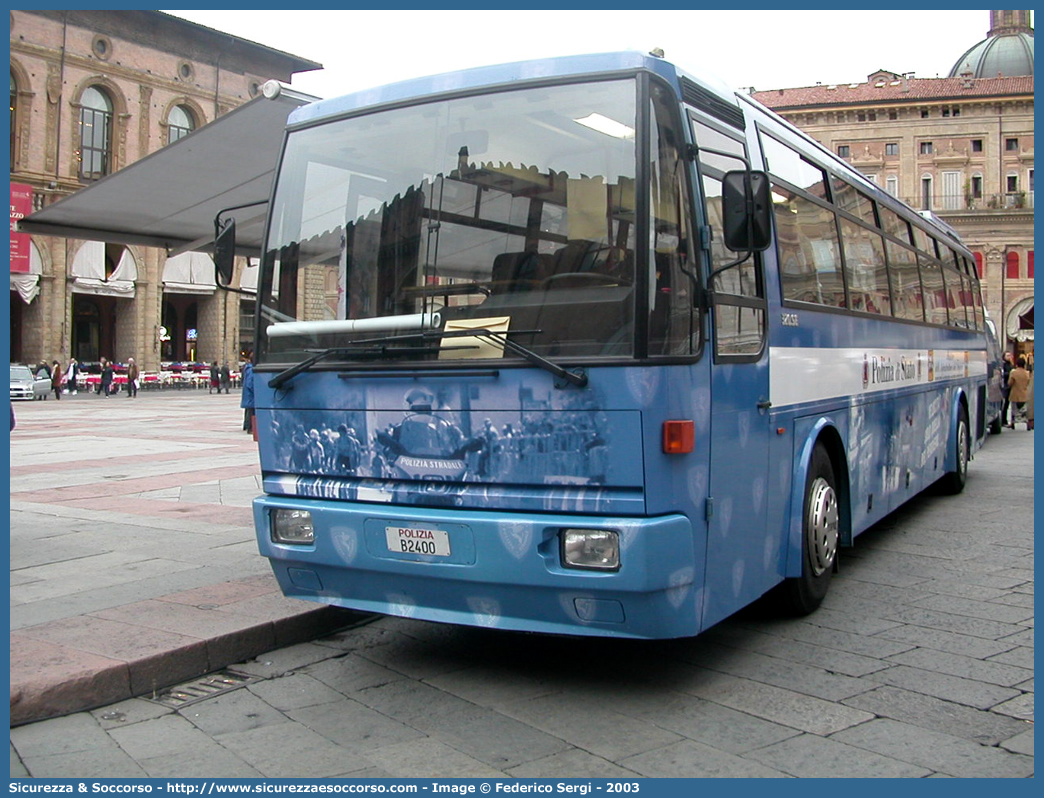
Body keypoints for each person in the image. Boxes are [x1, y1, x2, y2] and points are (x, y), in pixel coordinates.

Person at [1007, 355, 1031, 429]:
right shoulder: (1027, 373)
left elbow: (1010, 383)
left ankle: (1013, 423)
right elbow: (1028, 382)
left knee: (1014, 409)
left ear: (1016, 364)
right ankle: (1027, 423)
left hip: (1015, 393)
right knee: (1025, 409)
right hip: (1024, 393)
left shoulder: (1013, 372)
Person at [240, 359, 255, 434]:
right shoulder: (251, 369)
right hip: (251, 394)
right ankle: (250, 428)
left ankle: (246, 425)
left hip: (248, 394)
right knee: (251, 411)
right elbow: (250, 383)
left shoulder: (247, 368)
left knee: (249, 410)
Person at [1000, 351, 1014, 427]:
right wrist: (1010, 373)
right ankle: (1003, 420)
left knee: (1007, 404)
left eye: (1010, 355)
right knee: (1005, 404)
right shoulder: (1003, 365)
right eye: (1007, 355)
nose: (1009, 357)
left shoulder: (1010, 364)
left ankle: (1004, 420)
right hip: (1005, 386)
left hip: (1009, 386)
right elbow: (1003, 374)